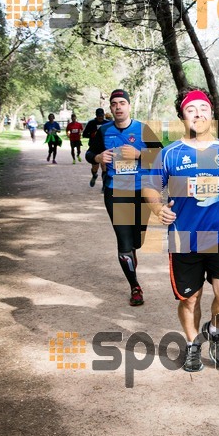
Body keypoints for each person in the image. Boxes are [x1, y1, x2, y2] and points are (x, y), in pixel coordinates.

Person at [144, 87, 219, 372]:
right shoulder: (170, 154)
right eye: (191, 110)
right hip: (184, 238)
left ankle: (215, 330)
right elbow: (150, 187)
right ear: (183, 116)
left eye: (203, 109)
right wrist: (158, 208)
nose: (198, 114)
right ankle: (193, 344)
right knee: (190, 298)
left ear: (211, 114)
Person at [85, 89, 162, 307]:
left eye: (122, 103)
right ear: (110, 108)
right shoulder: (105, 131)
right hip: (115, 191)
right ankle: (135, 287)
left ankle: (132, 250)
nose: (118, 107)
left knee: (138, 240)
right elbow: (89, 153)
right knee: (124, 242)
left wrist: (139, 155)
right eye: (114, 104)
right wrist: (98, 156)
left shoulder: (143, 130)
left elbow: (162, 156)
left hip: (142, 191)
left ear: (128, 106)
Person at [83, 108, 108, 188]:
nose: (100, 117)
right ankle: (94, 175)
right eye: (98, 116)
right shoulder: (91, 123)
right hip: (94, 148)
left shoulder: (107, 123)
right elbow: (84, 134)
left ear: (103, 115)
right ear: (96, 116)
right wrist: (92, 134)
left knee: (104, 166)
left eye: (101, 116)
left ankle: (104, 186)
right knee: (95, 167)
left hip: (104, 147)